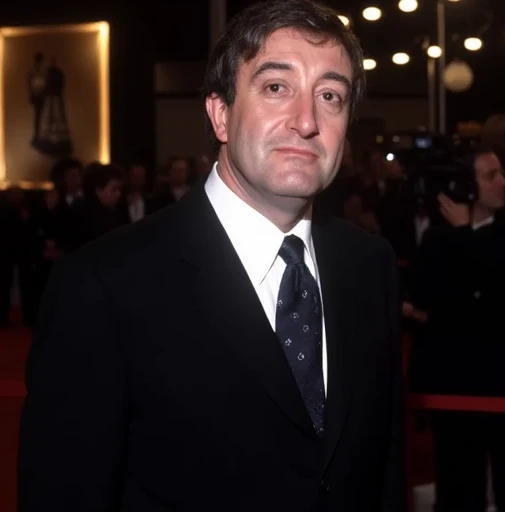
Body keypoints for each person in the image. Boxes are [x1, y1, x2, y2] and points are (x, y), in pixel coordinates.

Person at [17, 1, 405, 510]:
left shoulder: (369, 265)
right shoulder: (103, 285)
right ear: (220, 114)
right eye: (276, 88)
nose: (306, 121)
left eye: (330, 95)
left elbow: (383, 470)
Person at [406, 147, 505, 512]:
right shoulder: (439, 238)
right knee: (458, 489)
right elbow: (424, 298)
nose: (503, 182)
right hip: (455, 388)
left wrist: (467, 233)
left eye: (501, 173)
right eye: (491, 176)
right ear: (467, 187)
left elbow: (495, 300)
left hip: (502, 387)